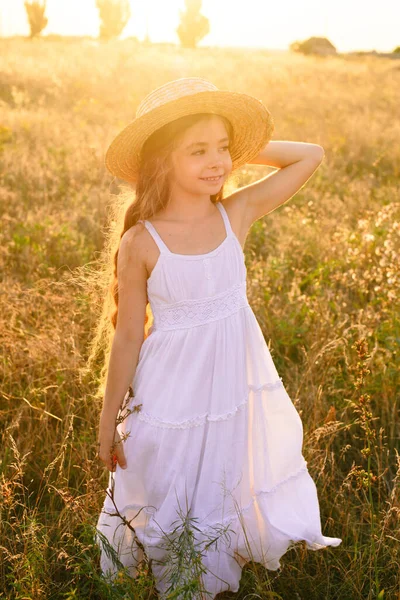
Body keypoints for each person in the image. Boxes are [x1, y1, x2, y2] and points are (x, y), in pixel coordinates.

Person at [94, 77, 342, 599]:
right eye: (198, 151)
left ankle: (208, 578)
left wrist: (238, 149)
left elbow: (310, 156)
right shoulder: (142, 241)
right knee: (173, 487)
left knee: (222, 481)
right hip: (170, 395)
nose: (218, 161)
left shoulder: (235, 215)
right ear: (162, 162)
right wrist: (108, 420)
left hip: (230, 389)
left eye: (224, 148)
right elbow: (127, 341)